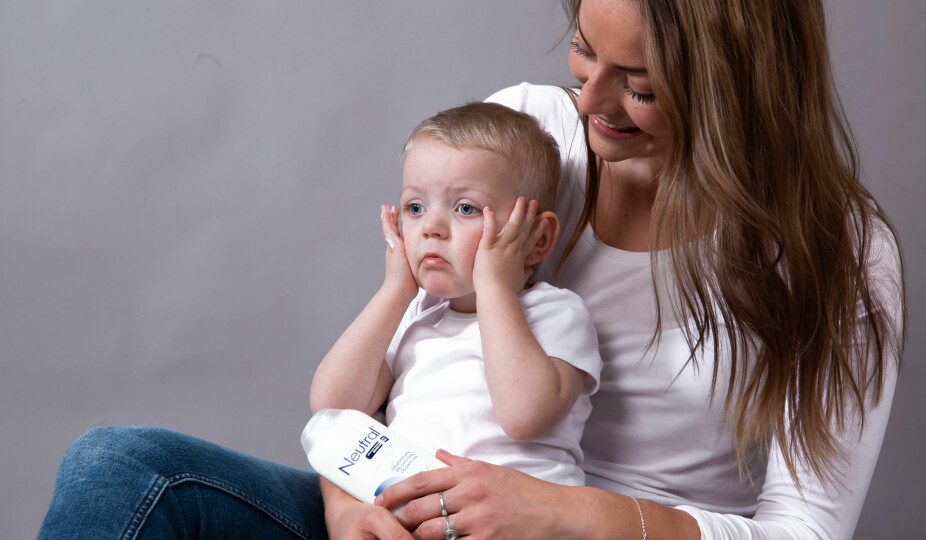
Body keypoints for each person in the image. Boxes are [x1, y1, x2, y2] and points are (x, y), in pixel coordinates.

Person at [39, 0, 906, 539]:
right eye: (582, 47)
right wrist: (352, 511)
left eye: (639, 86)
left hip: (609, 536)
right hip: (413, 505)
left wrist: (562, 515)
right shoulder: (534, 136)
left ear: (737, 86)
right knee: (118, 469)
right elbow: (388, 379)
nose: (592, 101)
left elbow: (805, 532)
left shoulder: (839, 254)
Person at [308, 102, 601, 487]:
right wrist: (395, 292)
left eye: (466, 208)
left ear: (538, 238)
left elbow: (523, 417)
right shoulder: (415, 316)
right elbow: (334, 406)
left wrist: (495, 288)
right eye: (415, 207)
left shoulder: (557, 314)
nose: (431, 227)